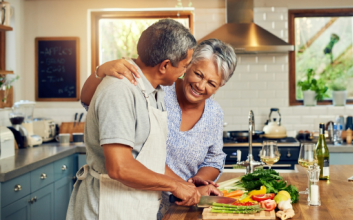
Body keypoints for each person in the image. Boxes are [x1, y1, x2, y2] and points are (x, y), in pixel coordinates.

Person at [81, 38, 237, 219]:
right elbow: (89, 100)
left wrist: (194, 184)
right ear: (187, 65)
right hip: (133, 198)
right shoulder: (158, 89)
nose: (201, 86)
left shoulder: (214, 113)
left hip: (183, 202)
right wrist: (100, 71)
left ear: (220, 86)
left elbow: (214, 158)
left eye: (212, 83)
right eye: (199, 74)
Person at [66, 19, 203, 220]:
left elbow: (148, 160)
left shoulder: (154, 91)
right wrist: (175, 186)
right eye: (184, 66)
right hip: (107, 210)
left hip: (134, 206)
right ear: (165, 65)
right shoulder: (119, 90)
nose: (184, 72)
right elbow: (120, 167)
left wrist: (189, 188)